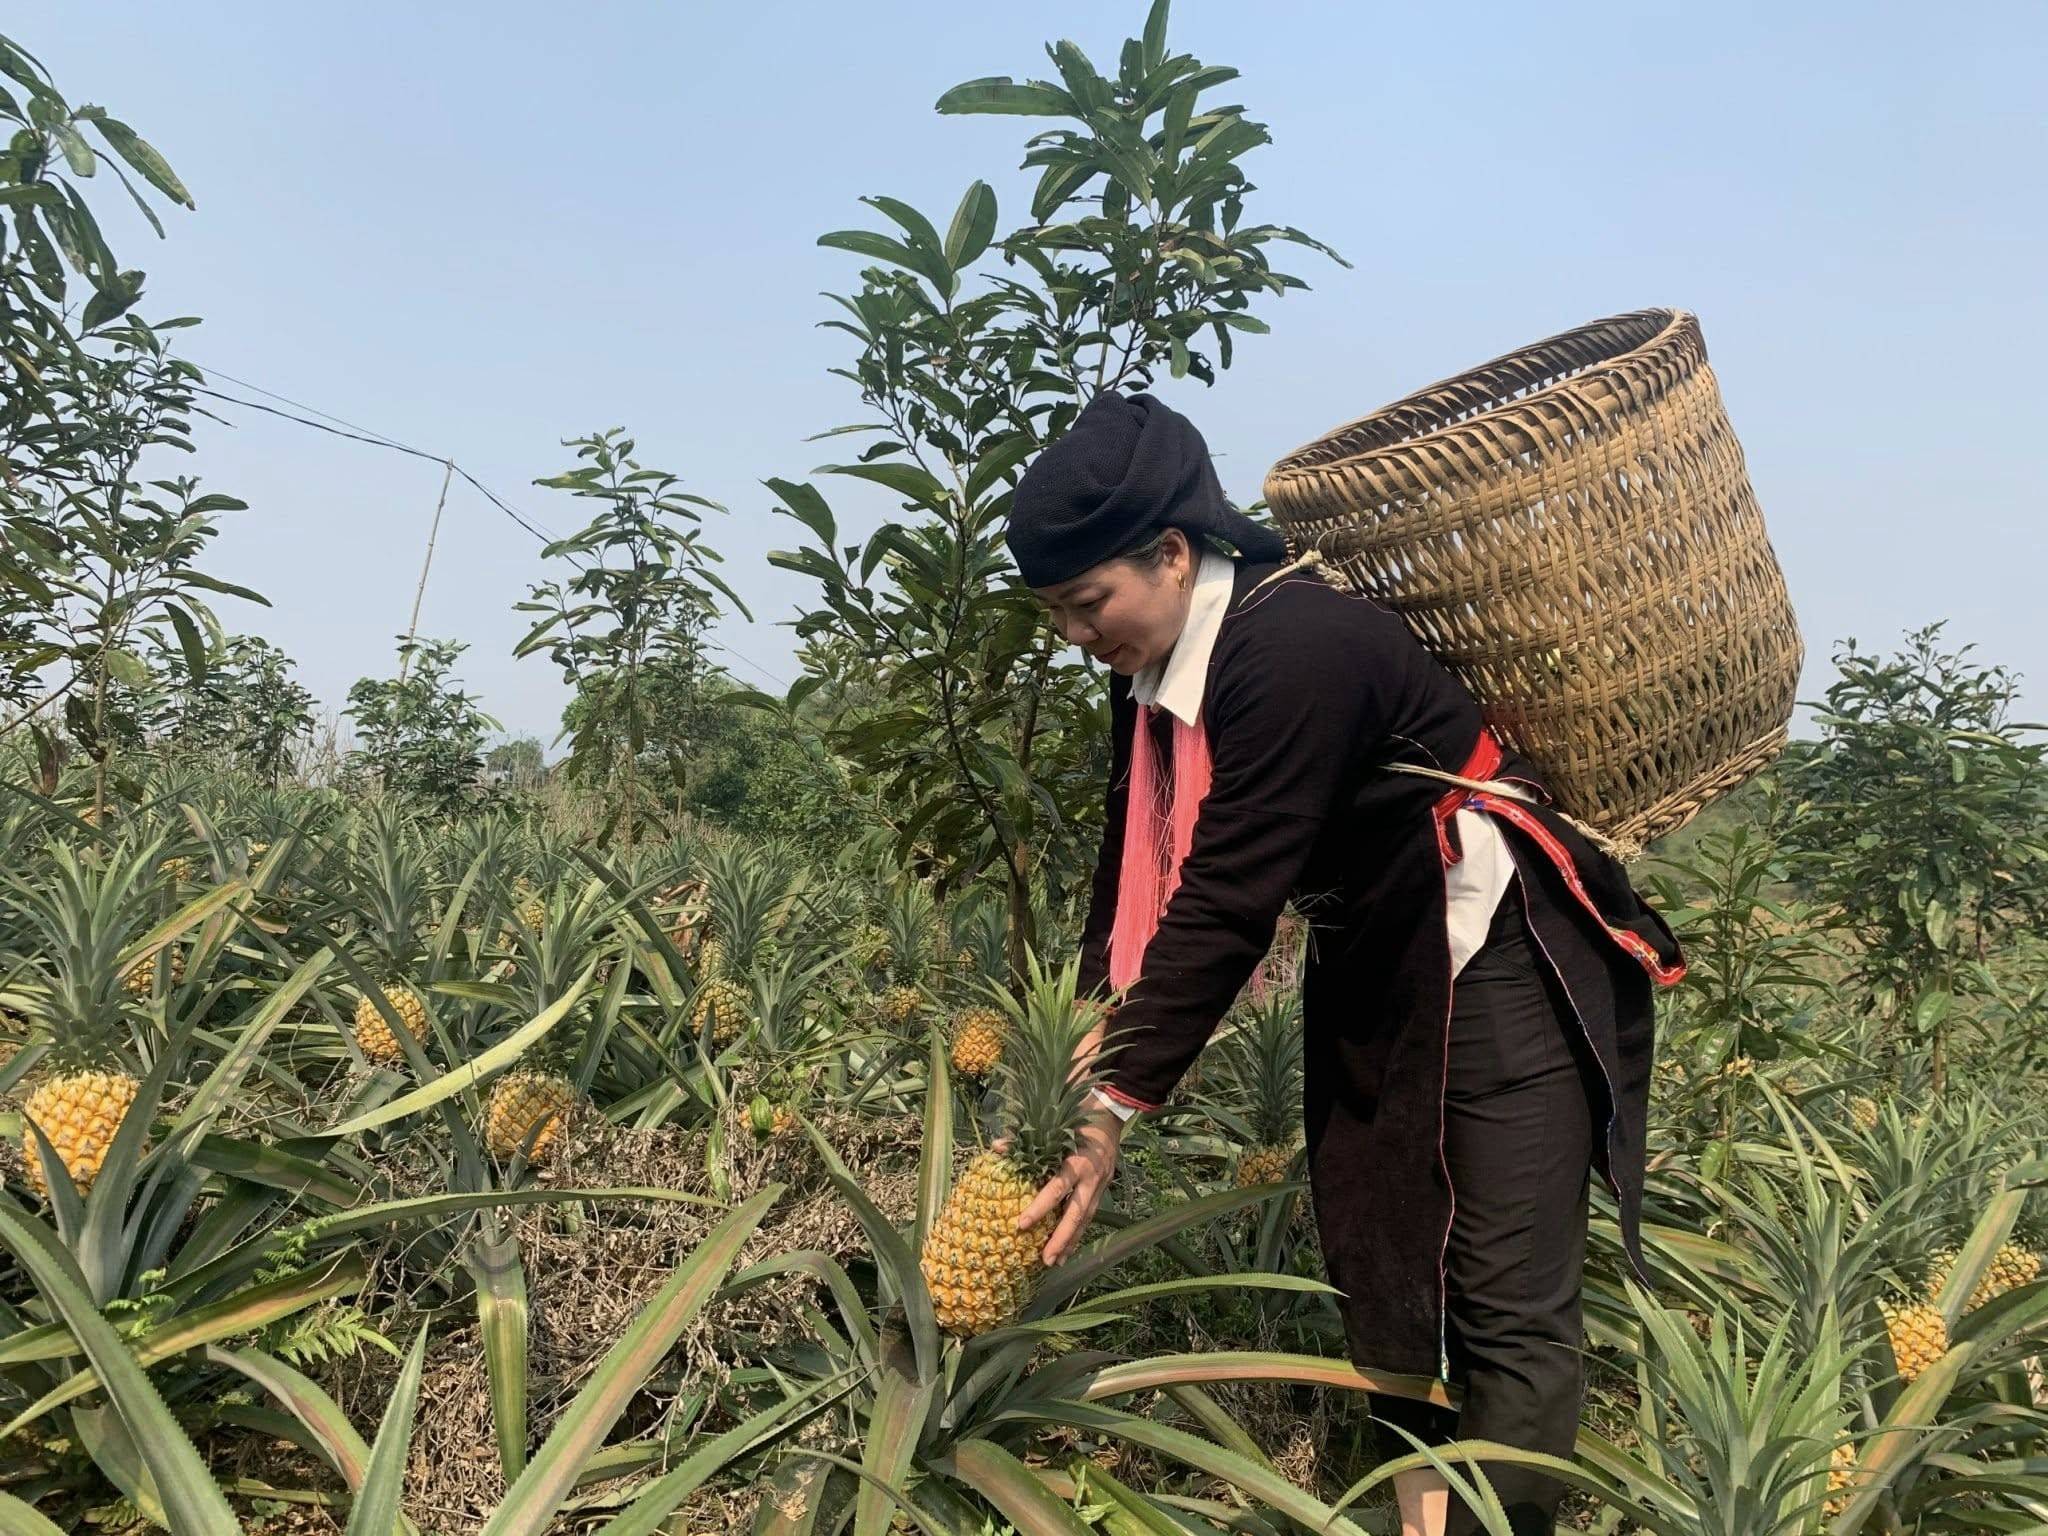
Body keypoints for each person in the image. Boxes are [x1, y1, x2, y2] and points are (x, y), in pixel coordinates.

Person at [1003, 390, 1685, 1536]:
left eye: (1087, 603)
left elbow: (1224, 894)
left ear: (1172, 554)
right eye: (1056, 614)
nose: (1078, 634)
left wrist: (1113, 1104)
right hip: (1383, 955)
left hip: (1496, 953)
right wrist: (1087, 1015)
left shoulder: (1290, 648)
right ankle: (1414, 1511)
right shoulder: (1161, 666)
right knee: (1385, 1245)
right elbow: (1135, 853)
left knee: (1505, 1297)